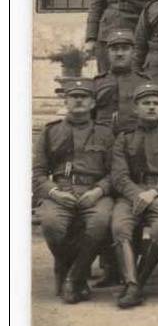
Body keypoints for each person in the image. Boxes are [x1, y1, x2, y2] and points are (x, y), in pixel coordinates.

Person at [33, 79, 116, 303]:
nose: (78, 100)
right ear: (66, 101)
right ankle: (73, 273)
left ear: (92, 103)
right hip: (60, 191)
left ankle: (71, 277)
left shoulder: (105, 133)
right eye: (74, 96)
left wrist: (98, 191)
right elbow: (38, 173)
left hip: (95, 192)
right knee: (50, 223)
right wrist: (54, 193)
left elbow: (115, 172)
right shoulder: (51, 132)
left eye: (84, 97)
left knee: (101, 222)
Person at [109, 82, 158, 308]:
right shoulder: (124, 138)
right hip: (129, 196)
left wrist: (153, 194)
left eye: (156, 104)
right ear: (135, 108)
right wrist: (140, 195)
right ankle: (132, 285)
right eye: (146, 103)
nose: (152, 107)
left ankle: (136, 283)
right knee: (120, 228)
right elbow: (119, 176)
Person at [93, 29, 153, 136]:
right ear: (108, 53)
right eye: (115, 49)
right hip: (103, 141)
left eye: (125, 49)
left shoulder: (144, 82)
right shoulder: (96, 83)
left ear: (133, 52)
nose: (119, 53)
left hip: (135, 140)